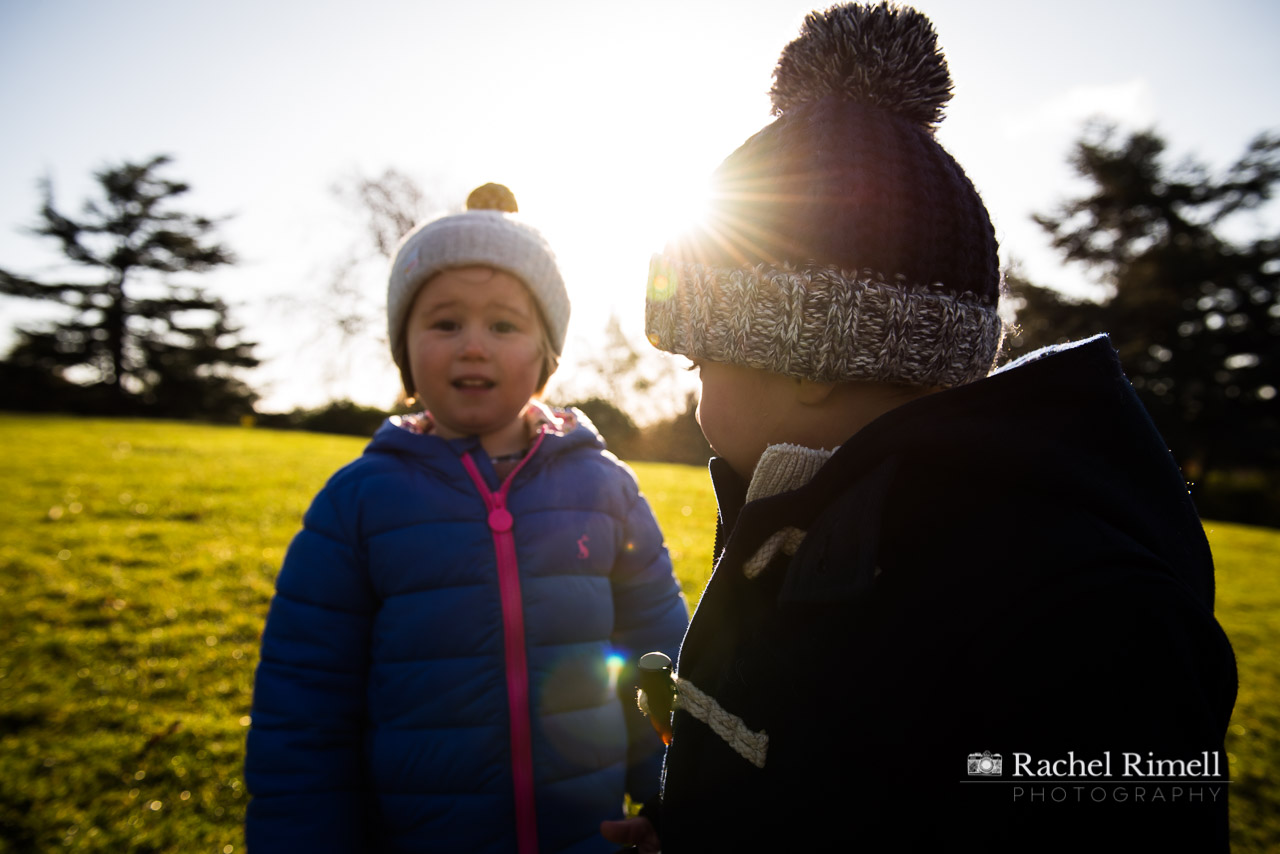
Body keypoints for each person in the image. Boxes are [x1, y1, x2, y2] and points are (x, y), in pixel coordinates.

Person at [602, 4, 1237, 852]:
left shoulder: (1081, 620)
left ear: (809, 366)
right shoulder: (813, 520)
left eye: (698, 363)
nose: (692, 396)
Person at [245, 184, 689, 854]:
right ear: (404, 350)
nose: (473, 346)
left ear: (545, 356)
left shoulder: (605, 490)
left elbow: (657, 658)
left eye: (504, 325)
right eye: (445, 323)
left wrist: (672, 794)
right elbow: (302, 710)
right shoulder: (358, 503)